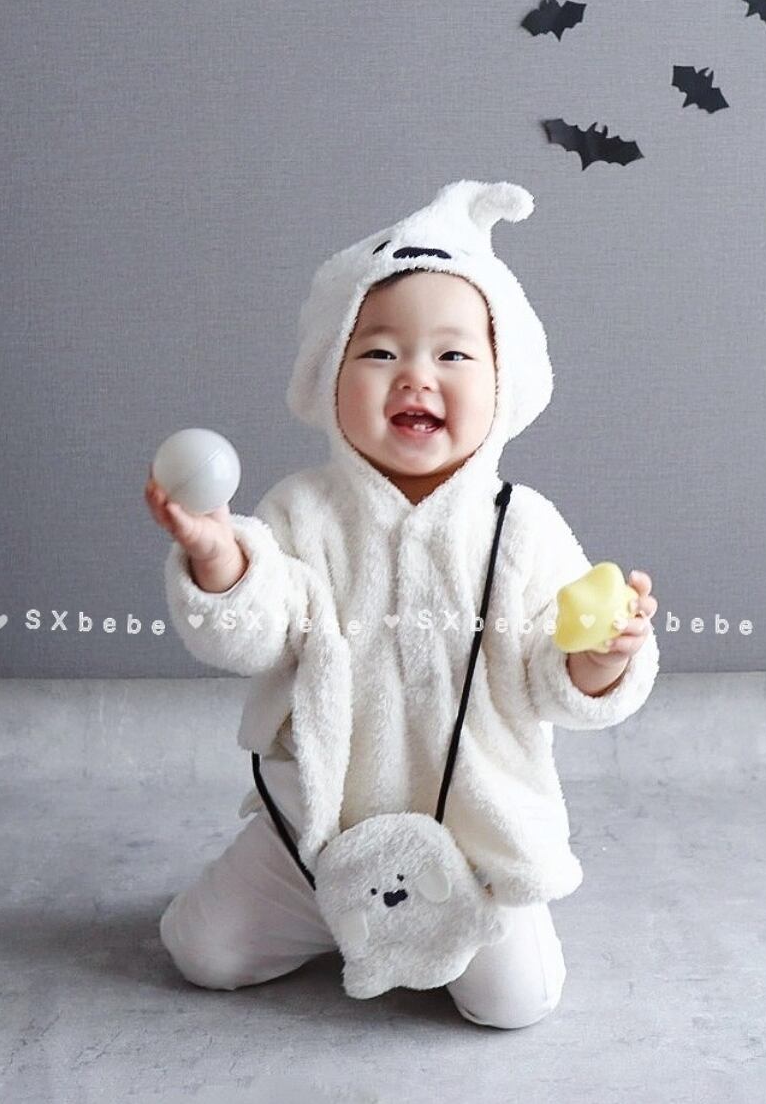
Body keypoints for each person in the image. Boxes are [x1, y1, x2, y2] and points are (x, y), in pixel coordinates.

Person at [145, 180, 660, 1029]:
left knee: (514, 1004)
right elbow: (257, 631)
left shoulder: (522, 526)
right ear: (329, 376)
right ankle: (334, 912)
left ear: (504, 383)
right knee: (202, 951)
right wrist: (220, 558)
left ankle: (433, 921)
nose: (415, 375)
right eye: (380, 352)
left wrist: (599, 658)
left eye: (453, 356)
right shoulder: (303, 512)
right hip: (317, 835)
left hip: (473, 844)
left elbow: (551, 674)